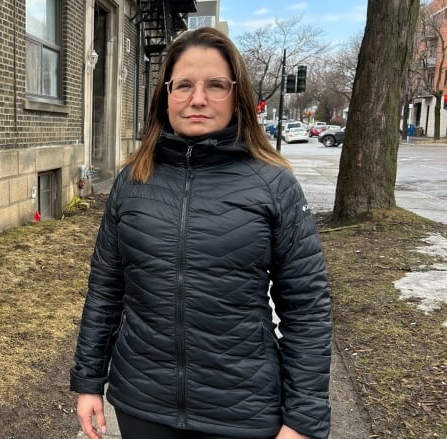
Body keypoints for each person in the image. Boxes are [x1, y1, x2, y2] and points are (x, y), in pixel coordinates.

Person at [70, 27, 332, 439]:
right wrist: (88, 381)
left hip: (242, 411)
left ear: (237, 95)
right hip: (142, 403)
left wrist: (303, 417)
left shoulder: (273, 184)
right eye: (185, 85)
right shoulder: (132, 181)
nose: (198, 98)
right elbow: (106, 290)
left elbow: (307, 308)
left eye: (215, 85)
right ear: (165, 95)